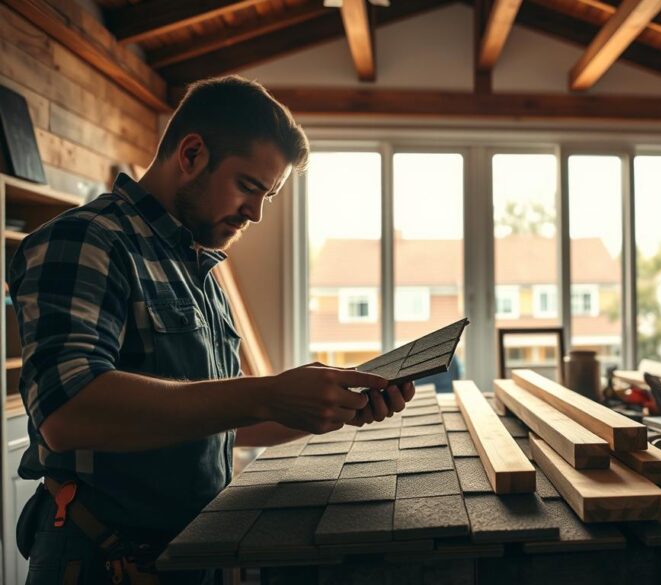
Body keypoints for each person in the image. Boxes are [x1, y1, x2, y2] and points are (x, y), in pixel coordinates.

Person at [7, 76, 413, 585]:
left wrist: (330, 405)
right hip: (99, 560)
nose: (257, 213)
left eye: (268, 195)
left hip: (189, 554)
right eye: (248, 186)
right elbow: (67, 412)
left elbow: (218, 423)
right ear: (192, 153)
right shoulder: (86, 239)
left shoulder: (199, 269)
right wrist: (266, 393)